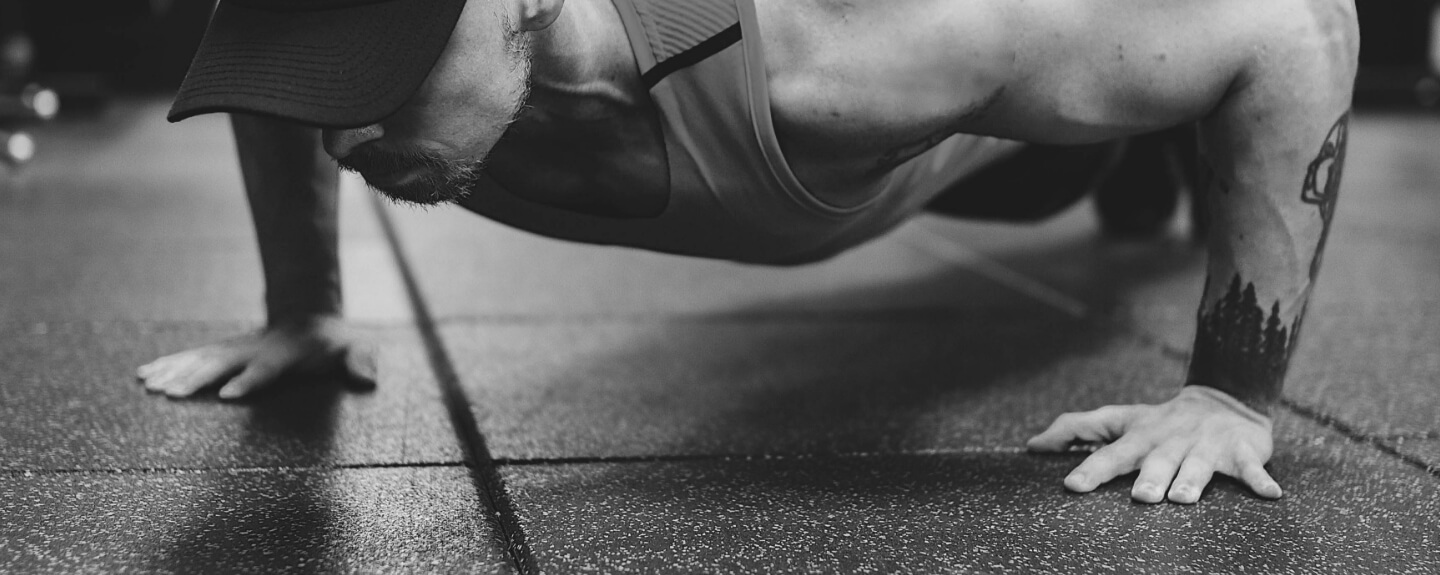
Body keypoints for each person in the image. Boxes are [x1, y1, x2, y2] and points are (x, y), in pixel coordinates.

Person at [136, 0, 1359, 505]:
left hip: (981, 145)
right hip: (851, 178)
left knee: (1075, 150)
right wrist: (304, 302)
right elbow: (286, 87)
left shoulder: (834, 56)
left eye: (379, 82)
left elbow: (1300, 30)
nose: (344, 136)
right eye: (324, 85)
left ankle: (1150, 148)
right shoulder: (399, 83)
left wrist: (1228, 394)